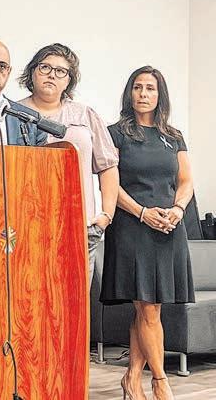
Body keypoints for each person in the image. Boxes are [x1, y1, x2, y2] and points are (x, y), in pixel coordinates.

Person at [101, 66, 194, 400]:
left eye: (150, 88)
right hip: (132, 227)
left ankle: (131, 378)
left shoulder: (174, 136)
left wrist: (178, 210)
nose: (143, 94)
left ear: (160, 95)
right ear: (129, 93)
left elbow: (185, 180)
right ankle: (160, 381)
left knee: (147, 308)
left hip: (169, 228)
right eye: (137, 87)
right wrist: (142, 212)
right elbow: (110, 184)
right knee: (149, 308)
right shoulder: (115, 133)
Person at [18, 43, 119, 283]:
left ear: (69, 80)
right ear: (32, 72)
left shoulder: (84, 115)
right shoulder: (13, 113)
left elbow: (107, 166)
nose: (52, 75)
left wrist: (106, 216)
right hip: (27, 228)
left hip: (80, 229)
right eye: (45, 67)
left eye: (61, 71)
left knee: (76, 301)